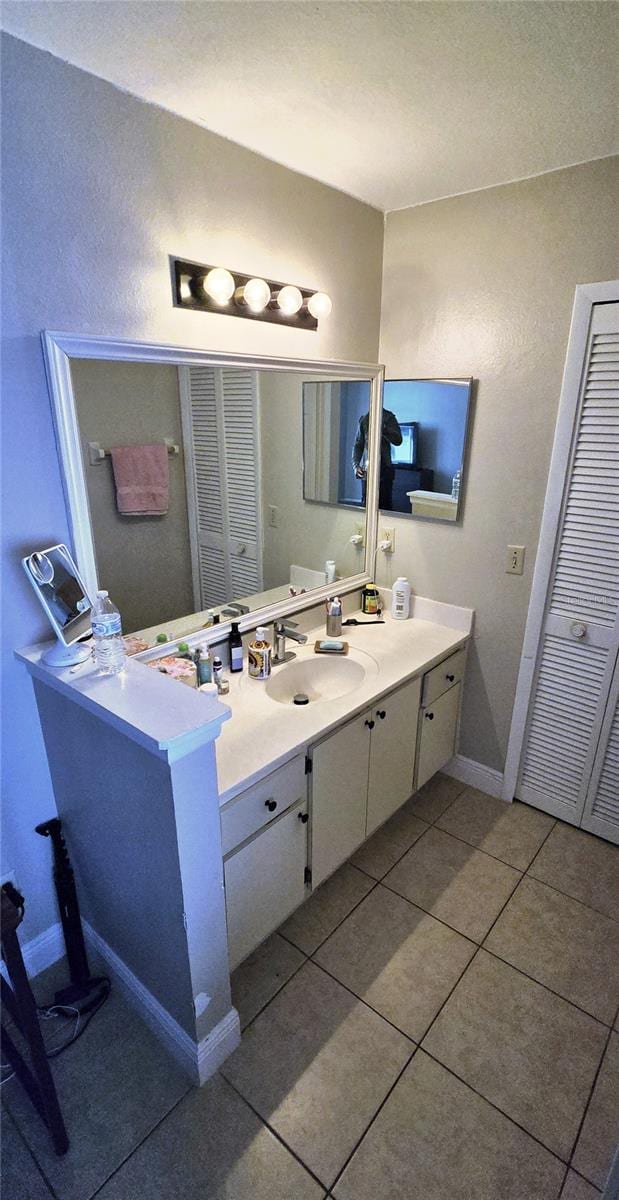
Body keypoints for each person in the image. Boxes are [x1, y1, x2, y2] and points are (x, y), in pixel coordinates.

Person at [352, 409, 402, 510]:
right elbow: (358, 445)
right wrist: (356, 466)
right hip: (367, 469)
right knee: (367, 505)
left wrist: (384, 430)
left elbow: (398, 440)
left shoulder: (389, 418)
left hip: (384, 468)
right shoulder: (365, 419)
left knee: (385, 505)